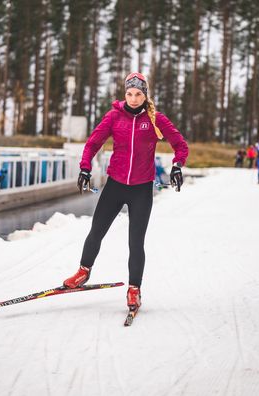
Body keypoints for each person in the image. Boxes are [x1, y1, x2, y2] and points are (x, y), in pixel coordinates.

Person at [62, 72, 189, 311]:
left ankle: (134, 290)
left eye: (138, 94)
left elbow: (180, 145)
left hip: (141, 190)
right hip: (115, 186)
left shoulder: (155, 119)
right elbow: (93, 143)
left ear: (145, 95)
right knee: (96, 231)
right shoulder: (114, 116)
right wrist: (85, 168)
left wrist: (177, 165)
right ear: (125, 94)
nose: (133, 99)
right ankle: (83, 271)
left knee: (135, 242)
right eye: (129, 94)